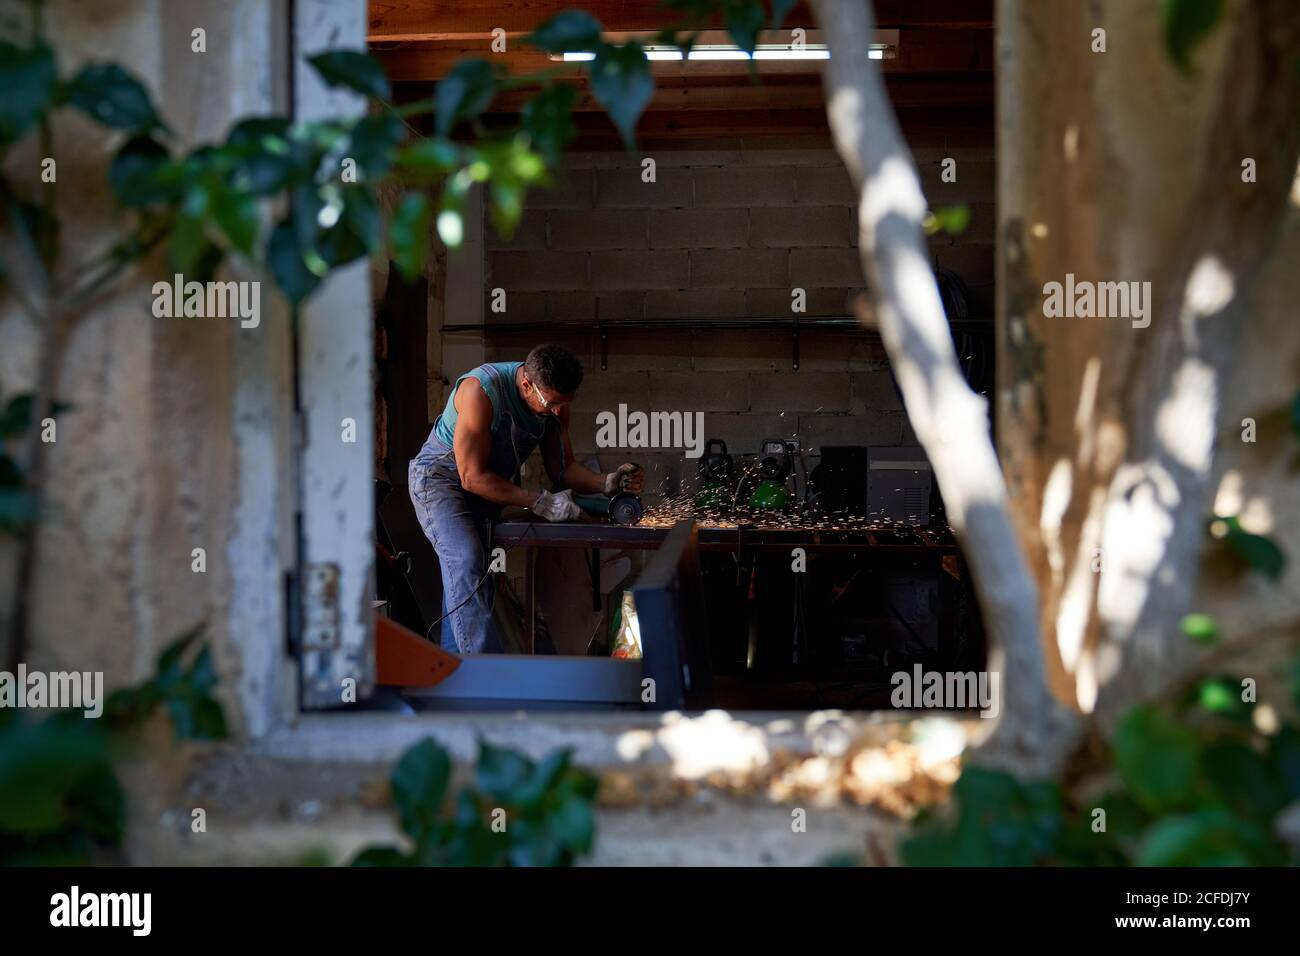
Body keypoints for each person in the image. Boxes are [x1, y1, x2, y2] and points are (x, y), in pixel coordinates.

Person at [409, 344, 644, 654]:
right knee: (465, 560)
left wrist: (607, 482)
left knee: (473, 582)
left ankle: (454, 675)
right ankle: (484, 676)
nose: (559, 411)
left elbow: (563, 469)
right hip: (441, 482)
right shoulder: (480, 391)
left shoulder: (555, 403)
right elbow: (471, 477)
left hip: (485, 487)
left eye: (565, 402)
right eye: (553, 403)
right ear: (525, 385)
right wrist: (539, 501)